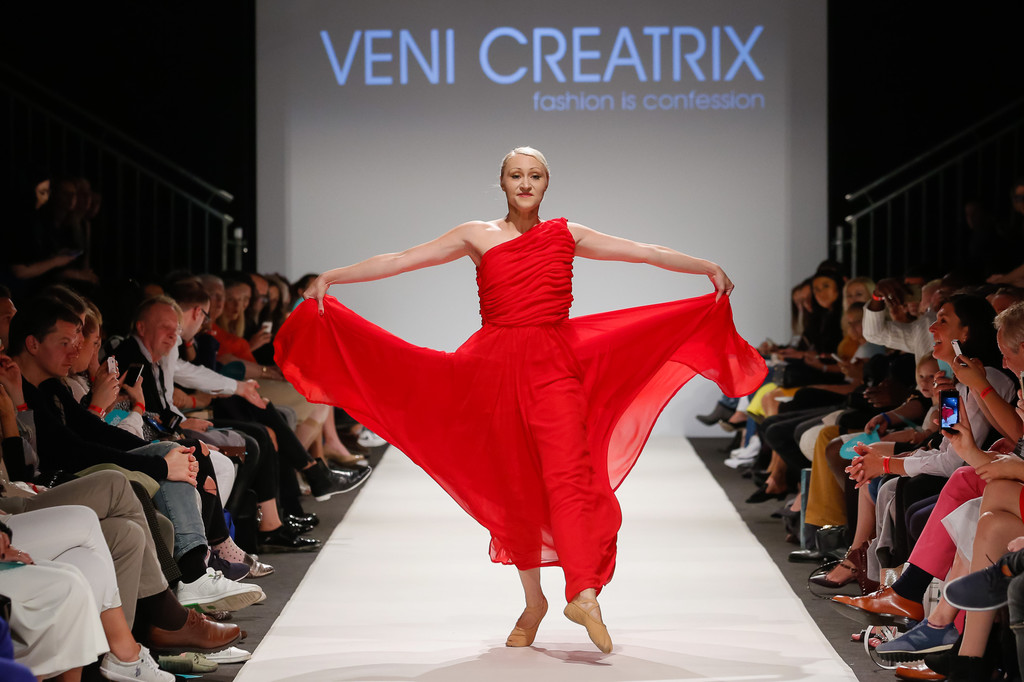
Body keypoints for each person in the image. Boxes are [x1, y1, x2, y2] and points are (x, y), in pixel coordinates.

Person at [276, 146, 767, 653]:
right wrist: (333, 276)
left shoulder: (566, 233)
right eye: (516, 175)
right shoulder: (475, 234)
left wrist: (705, 266)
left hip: (556, 367)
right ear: (503, 182)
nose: (525, 183)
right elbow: (403, 259)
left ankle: (583, 591)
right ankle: (534, 603)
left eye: (535, 175)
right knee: (515, 487)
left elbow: (642, 251)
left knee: (571, 475)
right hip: (494, 372)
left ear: (547, 183)